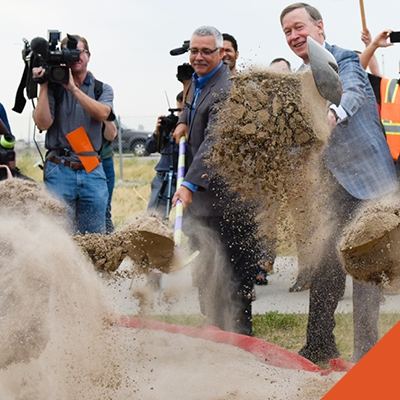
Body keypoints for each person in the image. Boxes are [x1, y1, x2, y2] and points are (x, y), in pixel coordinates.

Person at [280, 3, 398, 364]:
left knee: (365, 268)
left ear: (319, 27)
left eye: (299, 27)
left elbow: (354, 92)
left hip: (370, 183)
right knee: (325, 266)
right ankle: (319, 344)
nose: (294, 36)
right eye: (287, 32)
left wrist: (333, 113)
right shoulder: (293, 82)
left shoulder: (344, 58)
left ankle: (366, 352)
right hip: (330, 189)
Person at [172, 26, 263, 336]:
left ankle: (241, 340)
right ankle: (214, 331)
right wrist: (184, 120)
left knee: (234, 278)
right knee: (207, 272)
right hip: (205, 205)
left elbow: (214, 144)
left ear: (221, 53)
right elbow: (192, 99)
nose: (198, 57)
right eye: (194, 51)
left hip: (229, 203)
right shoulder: (201, 81)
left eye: (205, 52)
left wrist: (188, 184)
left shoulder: (227, 89)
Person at [32, 34, 115, 235]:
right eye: (72, 53)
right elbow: (43, 123)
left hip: (91, 166)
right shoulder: (53, 88)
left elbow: (104, 113)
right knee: (58, 235)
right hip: (59, 166)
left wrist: (73, 89)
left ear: (88, 55)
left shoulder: (100, 88)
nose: (77, 57)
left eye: (80, 52)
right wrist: (43, 85)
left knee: (94, 237)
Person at [146, 91, 183, 219]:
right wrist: (158, 133)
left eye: (184, 111)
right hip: (164, 176)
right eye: (179, 111)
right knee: (154, 218)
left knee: (191, 223)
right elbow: (150, 148)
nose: (180, 115)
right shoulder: (169, 125)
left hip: (186, 177)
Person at [101, 120, 118, 234]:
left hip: (104, 160)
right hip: (78, 161)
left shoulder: (103, 103)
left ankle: (113, 248)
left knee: (105, 212)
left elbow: (112, 134)